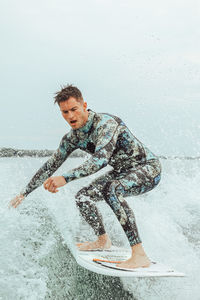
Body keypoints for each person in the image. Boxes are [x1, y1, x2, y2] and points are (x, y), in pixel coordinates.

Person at [9, 84, 161, 269]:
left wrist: (64, 178)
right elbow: (50, 165)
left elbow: (100, 160)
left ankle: (139, 255)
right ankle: (103, 240)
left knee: (110, 189)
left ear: (84, 105)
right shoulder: (71, 138)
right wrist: (24, 193)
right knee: (83, 196)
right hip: (122, 172)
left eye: (74, 109)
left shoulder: (106, 124)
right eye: (65, 112)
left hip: (148, 169)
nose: (71, 116)